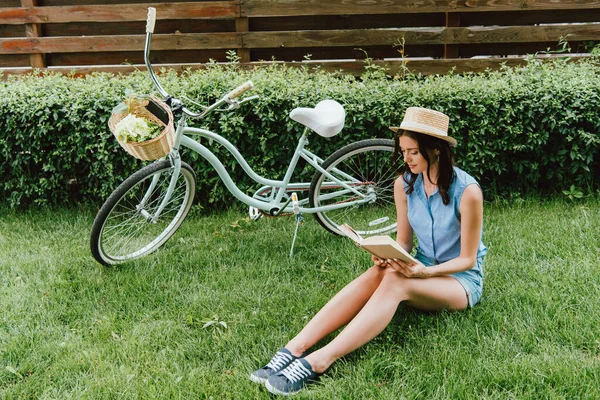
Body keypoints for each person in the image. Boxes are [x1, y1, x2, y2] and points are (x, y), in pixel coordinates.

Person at [249, 107, 487, 396]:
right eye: (402, 151)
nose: (406, 159)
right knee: (381, 269)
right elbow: (405, 243)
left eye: (413, 152)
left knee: (396, 281)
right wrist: (387, 253)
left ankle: (321, 360)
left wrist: (424, 272)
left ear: (436, 149)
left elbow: (467, 259)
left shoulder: (468, 191)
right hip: (421, 266)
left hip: (459, 282)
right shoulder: (405, 184)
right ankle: (294, 348)